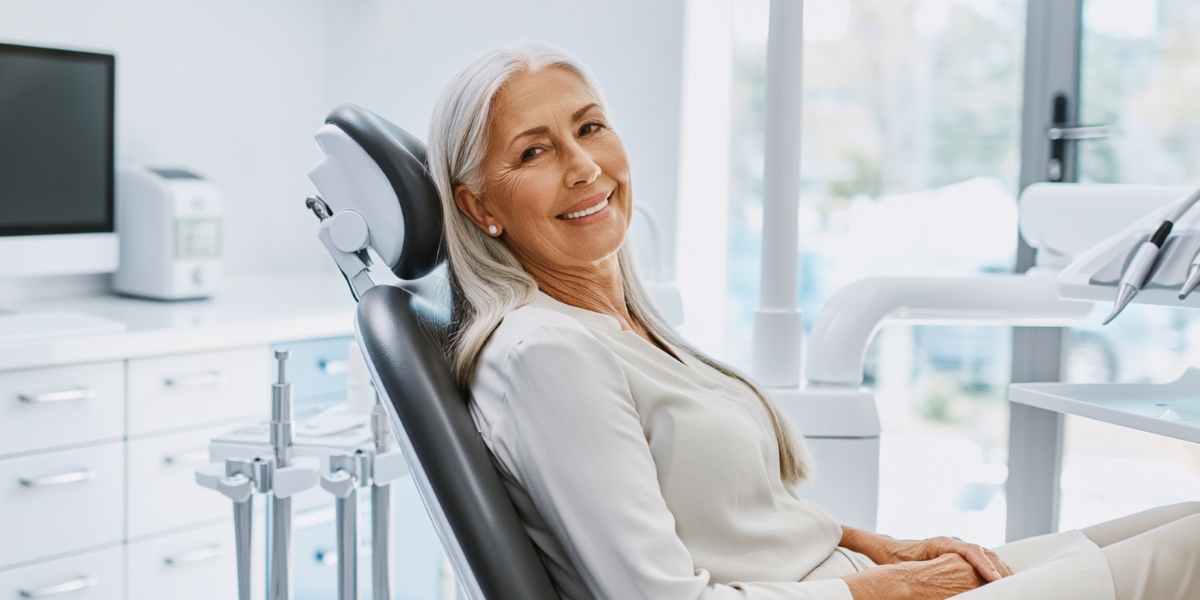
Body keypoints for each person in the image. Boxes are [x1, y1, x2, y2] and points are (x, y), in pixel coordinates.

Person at [424, 40, 1200, 599]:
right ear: (479, 206)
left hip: (851, 579)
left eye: (589, 127)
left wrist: (878, 547)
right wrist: (892, 589)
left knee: (1188, 518)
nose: (584, 165)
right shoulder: (542, 354)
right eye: (533, 152)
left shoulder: (624, 326)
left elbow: (736, 516)